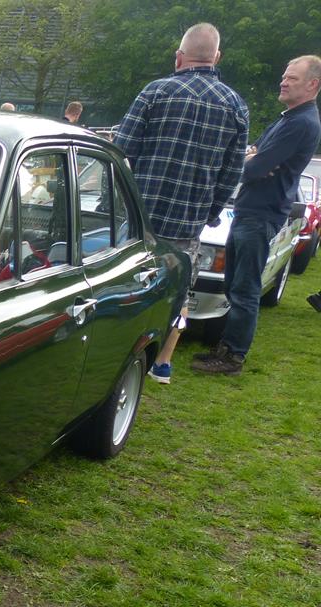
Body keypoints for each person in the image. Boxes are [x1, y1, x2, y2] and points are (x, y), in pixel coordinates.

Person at [112, 23, 248, 385]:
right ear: (217, 57)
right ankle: (163, 363)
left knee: (127, 283)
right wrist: (210, 212)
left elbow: (121, 150)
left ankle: (119, 355)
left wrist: (121, 199)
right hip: (188, 221)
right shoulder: (235, 106)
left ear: (179, 57)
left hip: (138, 216)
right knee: (179, 292)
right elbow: (231, 173)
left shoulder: (155, 92)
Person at [192, 55, 321, 376]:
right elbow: (252, 157)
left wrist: (255, 159)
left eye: (292, 78)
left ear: (312, 85)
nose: (283, 81)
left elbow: (252, 168)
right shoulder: (288, 119)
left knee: (245, 288)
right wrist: (253, 157)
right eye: (284, 75)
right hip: (249, 211)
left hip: (261, 214)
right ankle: (225, 347)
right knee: (234, 285)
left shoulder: (302, 123)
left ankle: (233, 357)